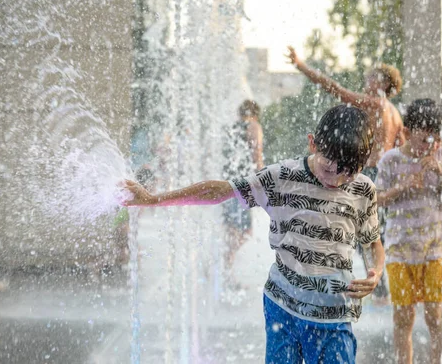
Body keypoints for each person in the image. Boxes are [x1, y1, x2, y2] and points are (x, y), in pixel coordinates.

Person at [123, 104, 384, 364]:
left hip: (334, 314)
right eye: (329, 168)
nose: (336, 180)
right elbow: (221, 191)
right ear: (312, 144)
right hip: (284, 308)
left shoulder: (363, 190)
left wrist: (376, 272)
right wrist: (154, 199)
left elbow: (372, 242)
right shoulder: (283, 177)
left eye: (348, 172)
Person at [287, 46, 401, 300]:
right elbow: (401, 148)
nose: (365, 80)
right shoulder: (395, 113)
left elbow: (335, 88)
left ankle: (374, 286)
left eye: (370, 77)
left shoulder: (374, 104)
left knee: (361, 232)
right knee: (376, 232)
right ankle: (381, 285)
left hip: (366, 172)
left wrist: (301, 66)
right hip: (384, 174)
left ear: (381, 82)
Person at [375, 99, 442, 364]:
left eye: (434, 140)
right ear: (408, 130)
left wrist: (441, 175)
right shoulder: (391, 160)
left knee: (435, 317)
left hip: (432, 251)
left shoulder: (439, 158)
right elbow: (378, 198)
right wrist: (403, 186)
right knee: (404, 317)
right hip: (400, 252)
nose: (429, 145)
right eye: (424, 138)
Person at [222, 100, 264, 283]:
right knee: (244, 231)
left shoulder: (233, 127)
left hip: (227, 183)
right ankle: (224, 268)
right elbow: (257, 154)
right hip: (241, 186)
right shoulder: (253, 125)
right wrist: (263, 179)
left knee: (233, 230)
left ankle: (223, 269)